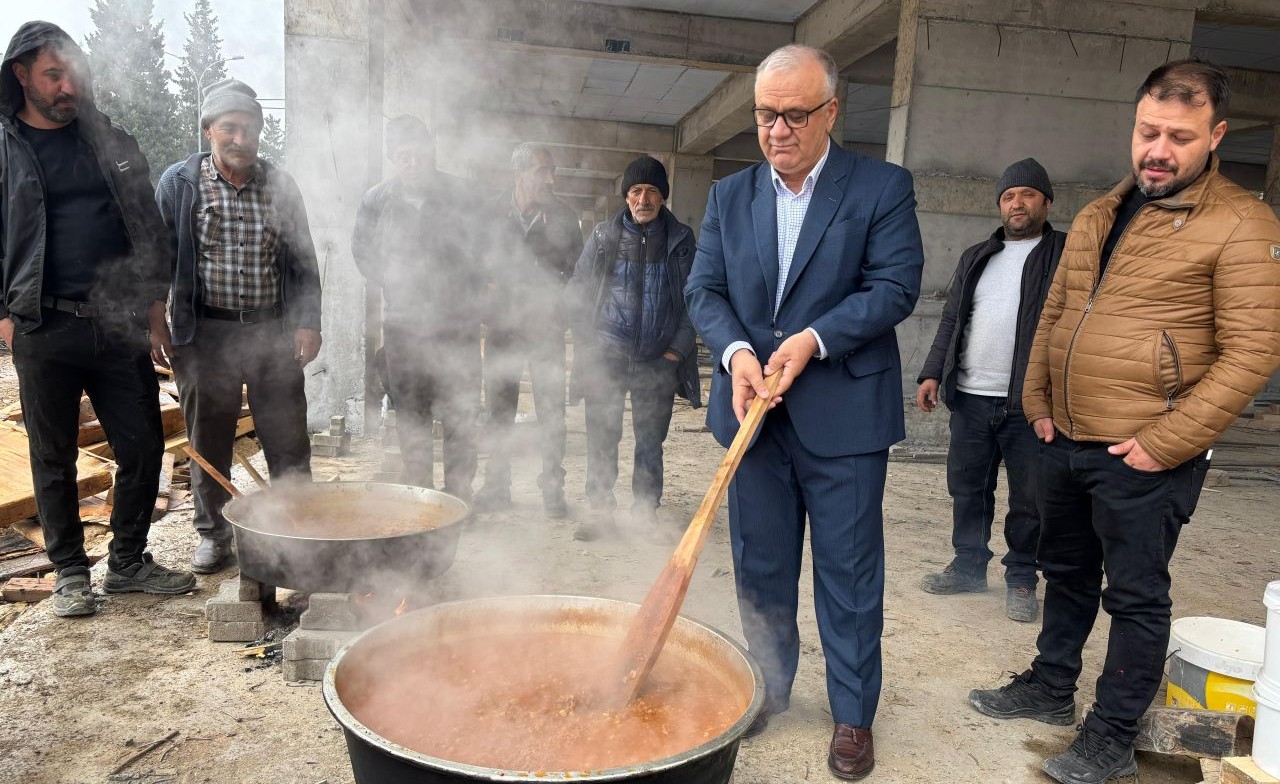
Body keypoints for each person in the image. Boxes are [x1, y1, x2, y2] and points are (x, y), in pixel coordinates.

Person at [969, 59, 1280, 784]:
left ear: (1216, 136)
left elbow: (1253, 353)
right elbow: (1056, 311)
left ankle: (1109, 732)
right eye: (1148, 131)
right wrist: (1038, 402)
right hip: (1066, 438)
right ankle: (1051, 686)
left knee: (1136, 595)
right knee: (1067, 570)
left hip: (1148, 449)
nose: (1158, 149)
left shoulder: (1243, 224)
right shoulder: (1105, 211)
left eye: (1179, 135)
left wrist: (1165, 442)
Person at [685, 44, 925, 780]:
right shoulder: (731, 196)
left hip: (844, 415)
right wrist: (734, 354)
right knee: (760, 564)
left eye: (793, 114)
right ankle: (767, 686)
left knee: (848, 571)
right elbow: (705, 292)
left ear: (830, 112)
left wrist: (812, 340)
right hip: (754, 415)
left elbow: (894, 286)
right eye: (765, 115)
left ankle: (852, 715)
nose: (777, 130)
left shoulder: (880, 187)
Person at [0, 21, 196, 616]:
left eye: (74, 75)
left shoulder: (113, 143)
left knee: (143, 445)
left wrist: (155, 310)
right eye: (53, 76)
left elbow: (150, 232)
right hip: (41, 325)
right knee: (52, 454)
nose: (68, 87)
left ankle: (128, 561)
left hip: (118, 324)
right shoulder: (5, 148)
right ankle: (68, 573)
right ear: (22, 75)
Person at [154, 78, 322, 574]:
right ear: (208, 131)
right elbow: (156, 260)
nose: (241, 139)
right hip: (206, 335)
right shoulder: (179, 184)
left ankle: (298, 529)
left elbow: (304, 261)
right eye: (230, 128)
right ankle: (214, 533)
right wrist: (153, 324)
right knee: (210, 437)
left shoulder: (280, 185)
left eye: (250, 128)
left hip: (272, 332)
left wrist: (307, 322)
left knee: (288, 437)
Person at [915, 158, 1065, 622]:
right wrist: (932, 371)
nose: (1016, 203)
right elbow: (951, 318)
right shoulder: (977, 255)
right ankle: (968, 566)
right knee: (967, 488)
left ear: (1046, 201)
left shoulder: (1066, 253)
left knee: (1030, 497)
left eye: (1026, 194)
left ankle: (1021, 578)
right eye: (1008, 196)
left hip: (1031, 402)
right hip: (973, 396)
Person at [565, 155, 701, 542]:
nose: (644, 199)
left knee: (650, 439)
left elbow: (696, 299)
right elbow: (577, 290)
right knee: (603, 433)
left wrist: (674, 352)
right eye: (637, 191)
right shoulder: (603, 237)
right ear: (626, 197)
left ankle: (644, 513)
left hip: (658, 358)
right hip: (607, 354)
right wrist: (589, 344)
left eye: (653, 191)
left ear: (663, 197)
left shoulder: (681, 241)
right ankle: (601, 511)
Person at [352, 116, 483, 499]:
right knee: (411, 412)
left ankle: (458, 494)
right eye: (403, 156)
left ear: (432, 151)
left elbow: (485, 251)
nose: (413, 163)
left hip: (456, 324)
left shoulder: (462, 196)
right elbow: (362, 252)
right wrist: (396, 279)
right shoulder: (376, 200)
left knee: (460, 412)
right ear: (393, 158)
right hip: (404, 326)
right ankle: (421, 494)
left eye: (419, 154)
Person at [475, 143, 582, 517]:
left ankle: (553, 490)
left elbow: (577, 276)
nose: (549, 179)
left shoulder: (565, 218)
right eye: (541, 171)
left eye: (551, 171)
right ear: (519, 173)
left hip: (545, 329)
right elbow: (473, 266)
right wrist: (487, 305)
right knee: (498, 410)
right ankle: (496, 487)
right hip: (503, 327)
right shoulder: (489, 213)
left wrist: (559, 313)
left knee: (552, 411)